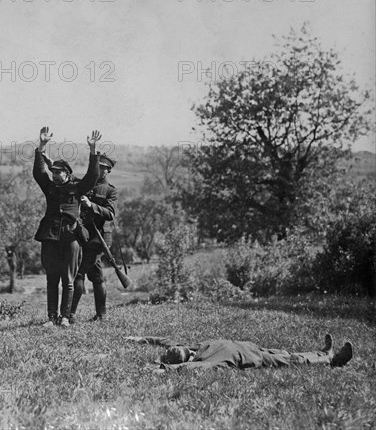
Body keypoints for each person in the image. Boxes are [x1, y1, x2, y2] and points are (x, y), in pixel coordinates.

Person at [33, 127, 101, 327]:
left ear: (67, 174)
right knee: (51, 279)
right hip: (50, 236)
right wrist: (42, 145)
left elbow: (93, 176)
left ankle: (65, 317)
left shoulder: (77, 187)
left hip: (71, 236)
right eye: (53, 172)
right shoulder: (50, 188)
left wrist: (93, 149)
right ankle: (51, 318)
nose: (54, 175)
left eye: (58, 172)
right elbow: (38, 172)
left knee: (69, 279)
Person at [125, 334, 354, 372]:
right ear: (182, 357)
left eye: (173, 349)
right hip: (255, 358)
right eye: (174, 352)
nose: (173, 348)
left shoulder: (193, 348)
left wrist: (142, 339)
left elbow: (166, 341)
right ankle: (334, 360)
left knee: (289, 352)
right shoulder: (205, 360)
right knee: (293, 359)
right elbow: (189, 368)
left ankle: (324, 352)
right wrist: (161, 369)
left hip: (251, 347)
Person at [69, 153, 117, 323]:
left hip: (100, 238)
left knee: (80, 274)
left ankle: (71, 315)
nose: (99, 170)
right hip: (86, 235)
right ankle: (101, 315)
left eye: (102, 168)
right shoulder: (88, 184)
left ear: (108, 170)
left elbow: (110, 214)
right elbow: (69, 176)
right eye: (97, 167)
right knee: (96, 276)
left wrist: (91, 205)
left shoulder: (110, 190)